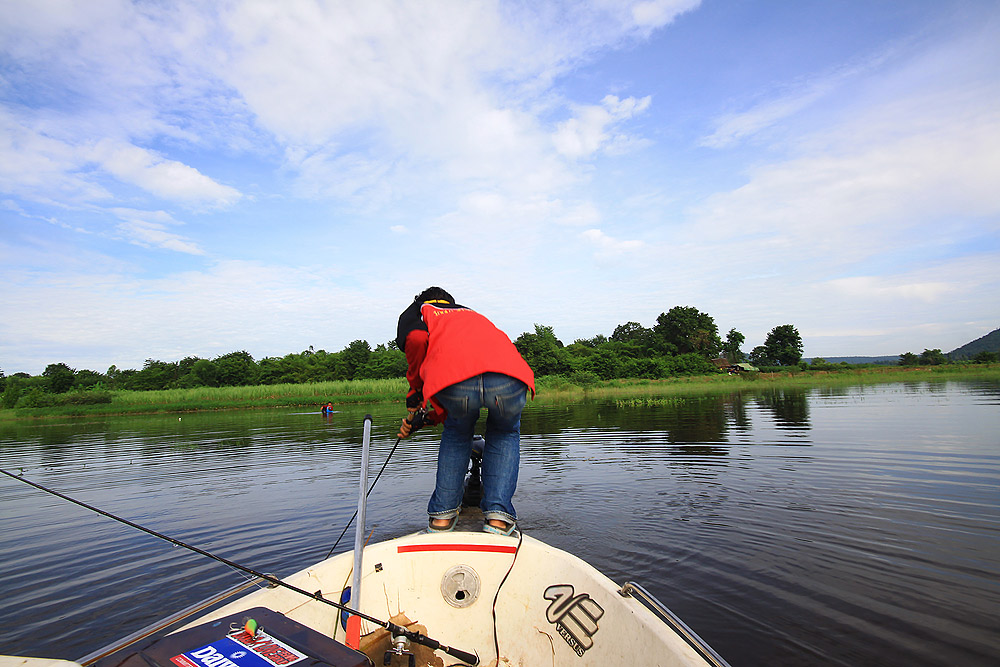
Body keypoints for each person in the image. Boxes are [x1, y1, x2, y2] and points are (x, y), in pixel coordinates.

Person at [396, 287, 535, 536]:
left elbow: (417, 340)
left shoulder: (419, 311)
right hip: (510, 377)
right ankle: (498, 520)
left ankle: (442, 518)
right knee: (504, 433)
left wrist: (415, 394)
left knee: (458, 432)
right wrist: (424, 418)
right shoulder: (470, 314)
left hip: (456, 380)